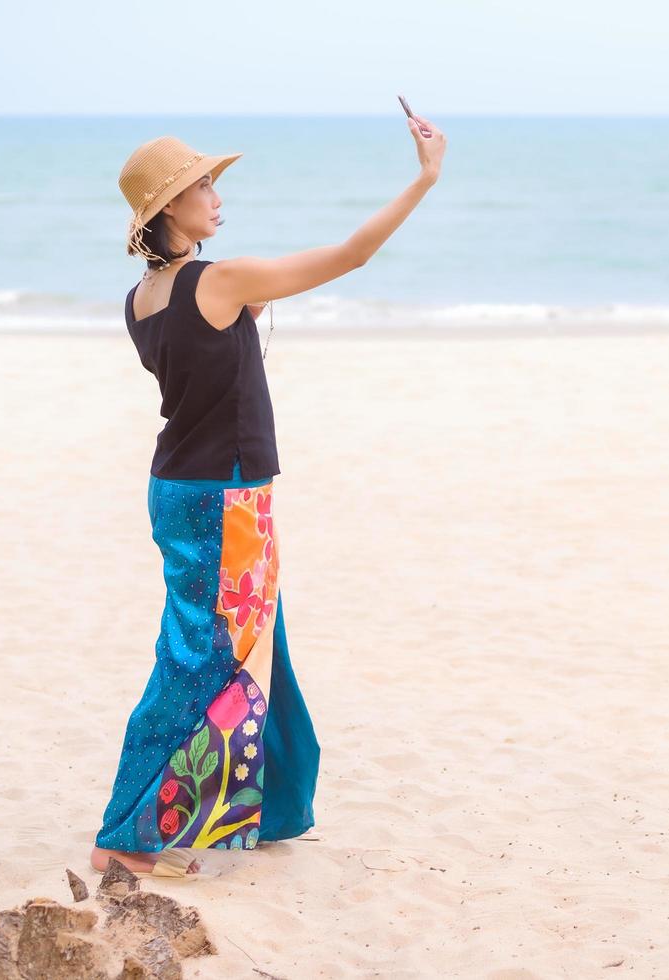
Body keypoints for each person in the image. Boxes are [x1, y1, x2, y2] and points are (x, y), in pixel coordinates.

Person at [91, 114, 446, 877]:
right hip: (224, 496)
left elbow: (210, 364)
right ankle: (126, 834)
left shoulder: (141, 298)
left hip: (182, 486)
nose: (216, 196)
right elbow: (351, 256)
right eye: (201, 185)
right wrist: (423, 178)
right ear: (168, 209)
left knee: (252, 646)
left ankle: (273, 806)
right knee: (199, 658)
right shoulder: (218, 280)